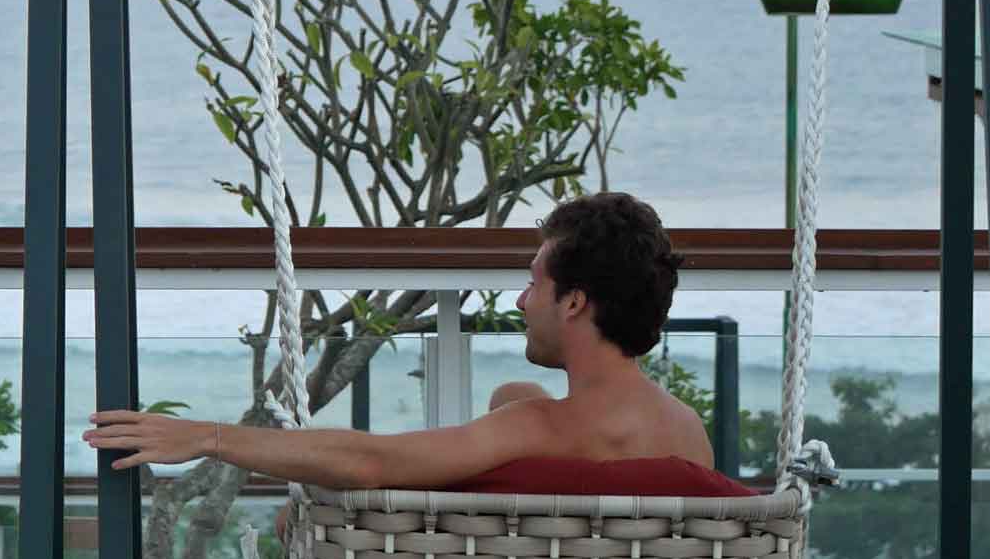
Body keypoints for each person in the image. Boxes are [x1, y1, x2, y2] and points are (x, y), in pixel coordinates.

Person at [85, 191, 716, 488]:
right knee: (510, 391)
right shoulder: (689, 436)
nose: (522, 304)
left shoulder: (543, 430)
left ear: (575, 302)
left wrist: (206, 438)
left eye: (533, 285)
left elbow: (370, 461)